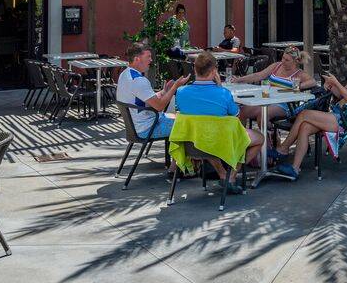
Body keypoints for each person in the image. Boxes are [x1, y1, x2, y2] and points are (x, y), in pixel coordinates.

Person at [272, 47, 347, 179]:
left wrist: (337, 82)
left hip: (346, 121)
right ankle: (295, 168)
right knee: (305, 127)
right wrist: (331, 86)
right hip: (339, 116)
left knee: (304, 114)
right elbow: (341, 95)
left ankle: (283, 148)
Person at [174, 51, 264, 194]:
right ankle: (231, 176)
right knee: (260, 138)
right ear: (214, 71)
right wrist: (220, 87)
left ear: (195, 69)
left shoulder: (181, 92)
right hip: (218, 142)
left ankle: (222, 173)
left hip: (191, 142)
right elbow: (236, 114)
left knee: (206, 137)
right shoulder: (223, 94)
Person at [230, 46, 316, 127]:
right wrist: (239, 79)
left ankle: (270, 139)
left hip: (284, 104)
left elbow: (313, 82)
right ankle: (242, 139)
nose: (283, 61)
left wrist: (298, 86)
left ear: (295, 61)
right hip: (267, 99)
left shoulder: (299, 74)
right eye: (283, 58)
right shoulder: (277, 66)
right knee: (241, 112)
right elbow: (258, 75)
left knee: (262, 115)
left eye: (287, 60)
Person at [115, 43, 183, 139]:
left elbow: (147, 98)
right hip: (148, 128)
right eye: (148, 56)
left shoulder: (125, 74)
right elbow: (159, 106)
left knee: (178, 117)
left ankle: (176, 153)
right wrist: (175, 87)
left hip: (138, 126)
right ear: (137, 59)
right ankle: (190, 154)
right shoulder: (139, 80)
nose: (151, 60)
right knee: (188, 124)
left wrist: (164, 91)